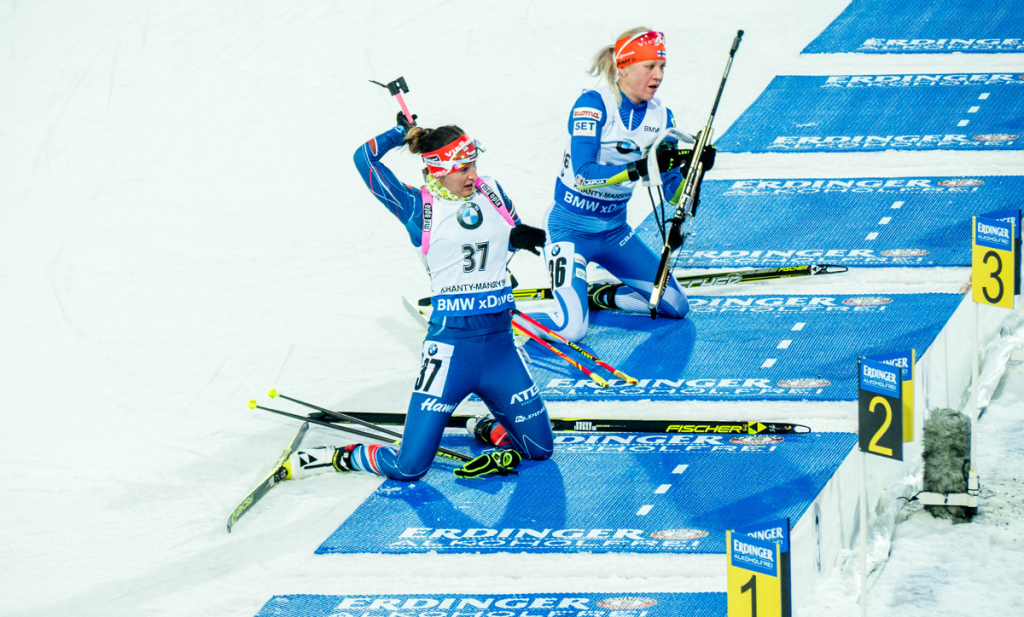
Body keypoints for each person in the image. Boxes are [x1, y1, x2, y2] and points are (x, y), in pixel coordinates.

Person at [283, 114, 555, 482]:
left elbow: (506, 232)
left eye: (473, 162)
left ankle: (486, 426)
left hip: (500, 346)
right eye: (461, 167)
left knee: (540, 451)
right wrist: (400, 132)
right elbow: (364, 159)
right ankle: (340, 457)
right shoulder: (415, 206)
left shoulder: (492, 190)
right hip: (450, 350)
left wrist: (518, 239)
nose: (472, 174)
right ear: (437, 170)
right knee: (409, 467)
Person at [525, 28, 715, 342]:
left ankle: (601, 297)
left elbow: (674, 196)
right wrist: (637, 168)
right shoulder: (593, 104)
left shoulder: (663, 117)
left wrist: (694, 171)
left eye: (662, 66)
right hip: (569, 230)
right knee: (572, 329)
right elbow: (583, 176)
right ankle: (498, 319)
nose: (658, 75)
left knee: (675, 306)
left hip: (614, 233)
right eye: (649, 66)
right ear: (623, 68)